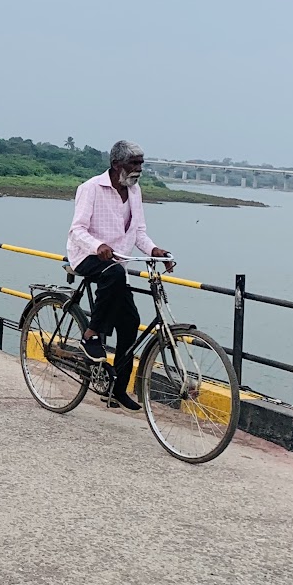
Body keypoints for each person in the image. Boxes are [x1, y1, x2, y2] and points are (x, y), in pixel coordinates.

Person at [67, 139, 173, 410]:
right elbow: (77, 230)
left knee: (130, 324)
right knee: (114, 273)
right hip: (87, 256)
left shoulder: (134, 191)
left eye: (141, 163)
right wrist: (98, 246)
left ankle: (117, 389)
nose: (139, 168)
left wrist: (155, 250)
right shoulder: (91, 188)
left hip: (116, 264)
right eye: (133, 163)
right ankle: (90, 335)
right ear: (116, 165)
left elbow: (137, 232)